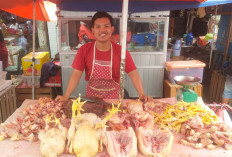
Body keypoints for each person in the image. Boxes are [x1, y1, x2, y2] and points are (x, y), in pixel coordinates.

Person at [55, 11, 150, 101]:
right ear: (92, 30)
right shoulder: (84, 50)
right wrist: (66, 95)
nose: (102, 30)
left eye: (106, 26)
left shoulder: (121, 51)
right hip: (92, 98)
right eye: (98, 27)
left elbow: (133, 74)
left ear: (112, 29)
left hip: (114, 99)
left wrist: (141, 94)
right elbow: (76, 75)